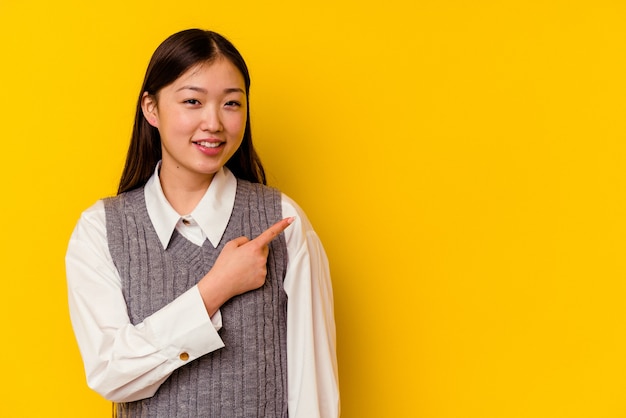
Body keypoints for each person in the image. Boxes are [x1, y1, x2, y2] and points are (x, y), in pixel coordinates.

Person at [66, 29, 339, 418]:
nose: (213, 123)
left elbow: (314, 394)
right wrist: (216, 287)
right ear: (151, 108)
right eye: (192, 101)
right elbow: (112, 373)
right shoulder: (101, 230)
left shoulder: (283, 221)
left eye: (231, 103)